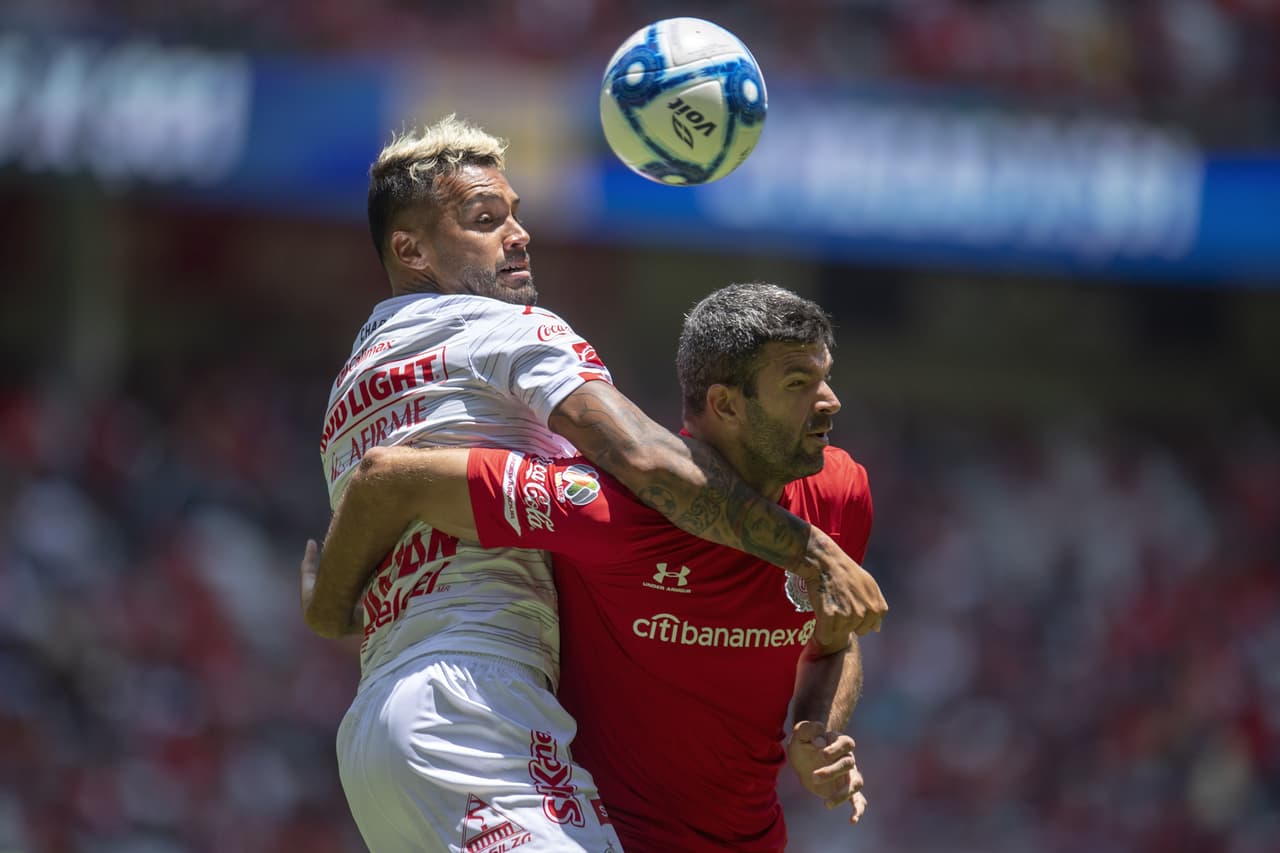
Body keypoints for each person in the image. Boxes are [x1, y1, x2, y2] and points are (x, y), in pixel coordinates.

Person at [308, 116, 887, 852]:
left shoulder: (356, 383)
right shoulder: (511, 332)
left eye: (516, 214)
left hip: (383, 724)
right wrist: (810, 551)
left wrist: (329, 608)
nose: (518, 234)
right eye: (487, 220)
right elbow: (643, 456)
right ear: (411, 248)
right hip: (475, 702)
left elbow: (373, 491)